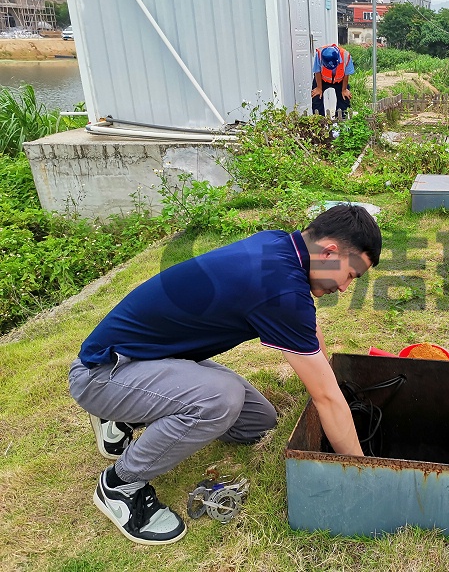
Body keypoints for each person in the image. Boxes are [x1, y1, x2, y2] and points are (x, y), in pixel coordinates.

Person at [69, 204, 381, 545]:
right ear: (331, 252)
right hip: (105, 371)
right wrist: (359, 471)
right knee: (219, 400)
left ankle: (124, 416)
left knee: (258, 423)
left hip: (151, 358)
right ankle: (121, 484)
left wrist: (325, 374)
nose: (347, 288)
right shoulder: (280, 288)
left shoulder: (280, 246)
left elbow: (309, 332)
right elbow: (325, 397)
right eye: (351, 275)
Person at [311, 44, 354, 116]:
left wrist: (344, 90)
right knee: (316, 97)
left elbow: (346, 75)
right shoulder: (319, 54)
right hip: (322, 79)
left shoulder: (346, 56)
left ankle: (341, 122)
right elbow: (317, 71)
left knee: (344, 98)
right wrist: (319, 88)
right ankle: (319, 123)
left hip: (340, 80)